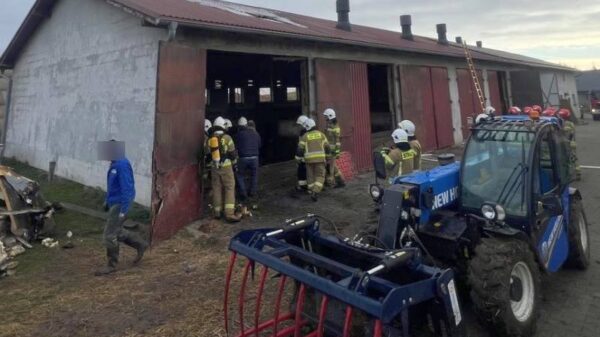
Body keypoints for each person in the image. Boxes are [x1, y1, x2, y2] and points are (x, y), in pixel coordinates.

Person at [95, 141, 148, 276]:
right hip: (114, 202)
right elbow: (113, 186)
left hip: (119, 204)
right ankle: (140, 244)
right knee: (116, 231)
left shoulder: (122, 165)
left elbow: (127, 188)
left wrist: (123, 210)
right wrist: (107, 201)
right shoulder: (114, 163)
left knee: (109, 234)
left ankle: (111, 265)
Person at [207, 117, 241, 222]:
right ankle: (229, 213)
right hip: (226, 167)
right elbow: (232, 153)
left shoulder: (210, 139)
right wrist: (235, 165)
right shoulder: (227, 138)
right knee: (229, 188)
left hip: (214, 167)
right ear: (223, 126)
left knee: (216, 188)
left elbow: (208, 154)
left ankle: (217, 212)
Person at [297, 118, 329, 201]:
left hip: (308, 161)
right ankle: (315, 191)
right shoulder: (321, 135)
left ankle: (311, 191)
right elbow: (327, 147)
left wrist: (298, 158)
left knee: (310, 177)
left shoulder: (305, 136)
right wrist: (328, 156)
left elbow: (300, 149)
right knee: (320, 176)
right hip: (320, 160)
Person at [234, 117, 262, 207]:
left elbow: (235, 147)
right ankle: (252, 192)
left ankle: (243, 194)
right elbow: (259, 144)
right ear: (246, 125)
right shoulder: (255, 133)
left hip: (243, 158)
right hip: (254, 158)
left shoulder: (238, 135)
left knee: (240, 175)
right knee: (254, 175)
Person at [323, 108, 345, 187]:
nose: (325, 118)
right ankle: (341, 181)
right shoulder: (329, 125)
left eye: (326, 116)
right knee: (332, 166)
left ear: (330, 116)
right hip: (328, 150)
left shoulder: (335, 127)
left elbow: (337, 141)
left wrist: (337, 152)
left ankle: (332, 182)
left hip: (332, 151)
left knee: (331, 167)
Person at [558, 108, 581, 180]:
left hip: (567, 143)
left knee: (568, 158)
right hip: (571, 143)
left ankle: (571, 174)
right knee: (574, 158)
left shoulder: (566, 124)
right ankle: (578, 172)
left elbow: (563, 133)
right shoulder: (571, 123)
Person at [295, 115, 309, 191]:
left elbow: (301, 147)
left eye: (299, 125)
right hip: (306, 157)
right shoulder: (305, 132)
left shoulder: (304, 134)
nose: (299, 126)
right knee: (303, 172)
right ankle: (304, 186)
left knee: (302, 172)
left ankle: (304, 187)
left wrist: (298, 157)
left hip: (305, 157)